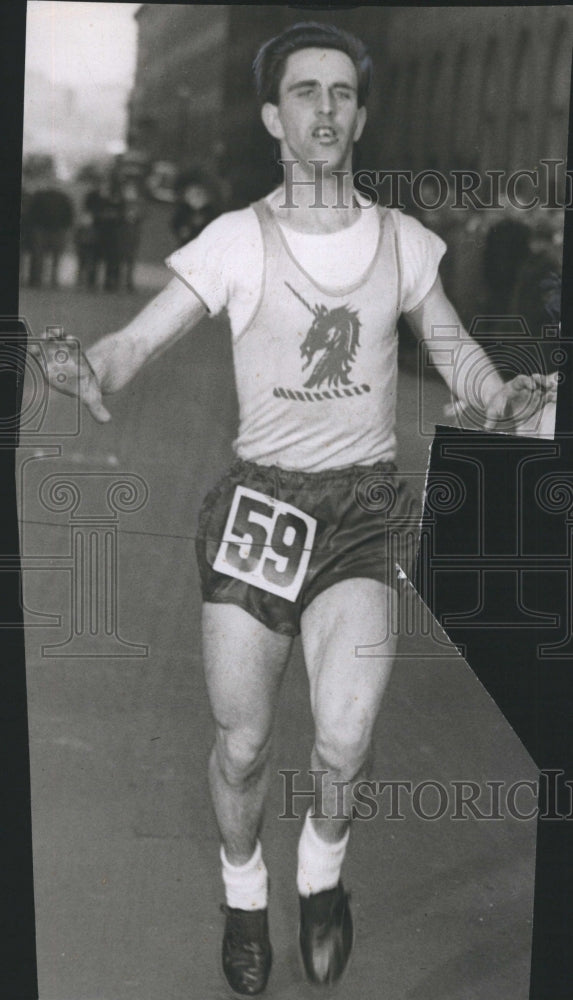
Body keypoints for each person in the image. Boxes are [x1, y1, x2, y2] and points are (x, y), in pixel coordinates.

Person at [32, 22, 557, 996]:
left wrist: (499, 397)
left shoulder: (402, 241)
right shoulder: (238, 239)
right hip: (258, 517)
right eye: (306, 92)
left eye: (342, 92)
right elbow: (131, 349)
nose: (326, 108)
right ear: (276, 118)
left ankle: (320, 877)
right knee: (242, 745)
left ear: (360, 112)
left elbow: (456, 353)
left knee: (347, 738)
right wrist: (83, 365)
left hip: (359, 517)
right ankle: (244, 893)